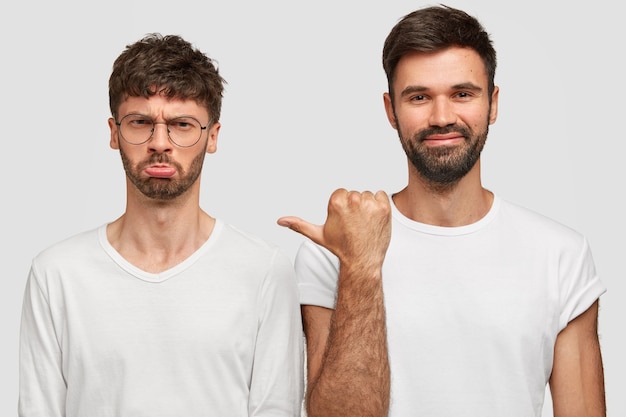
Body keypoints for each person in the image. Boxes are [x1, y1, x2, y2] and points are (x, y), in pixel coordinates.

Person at [278, 5, 606, 417]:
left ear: (493, 104)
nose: (442, 117)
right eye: (419, 97)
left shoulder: (561, 255)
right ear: (390, 111)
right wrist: (360, 268)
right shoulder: (336, 250)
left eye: (462, 94)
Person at [19, 33, 303, 417]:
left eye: (182, 124)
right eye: (140, 122)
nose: (160, 142)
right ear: (114, 132)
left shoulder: (264, 270)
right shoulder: (57, 274)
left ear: (213, 136)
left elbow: (276, 409)